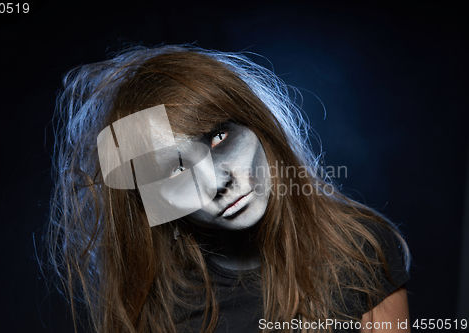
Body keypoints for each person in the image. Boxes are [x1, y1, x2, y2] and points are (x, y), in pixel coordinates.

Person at [46, 45, 411, 333]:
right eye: (175, 169)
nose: (217, 182)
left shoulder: (361, 248)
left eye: (219, 137)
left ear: (258, 124)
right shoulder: (155, 306)